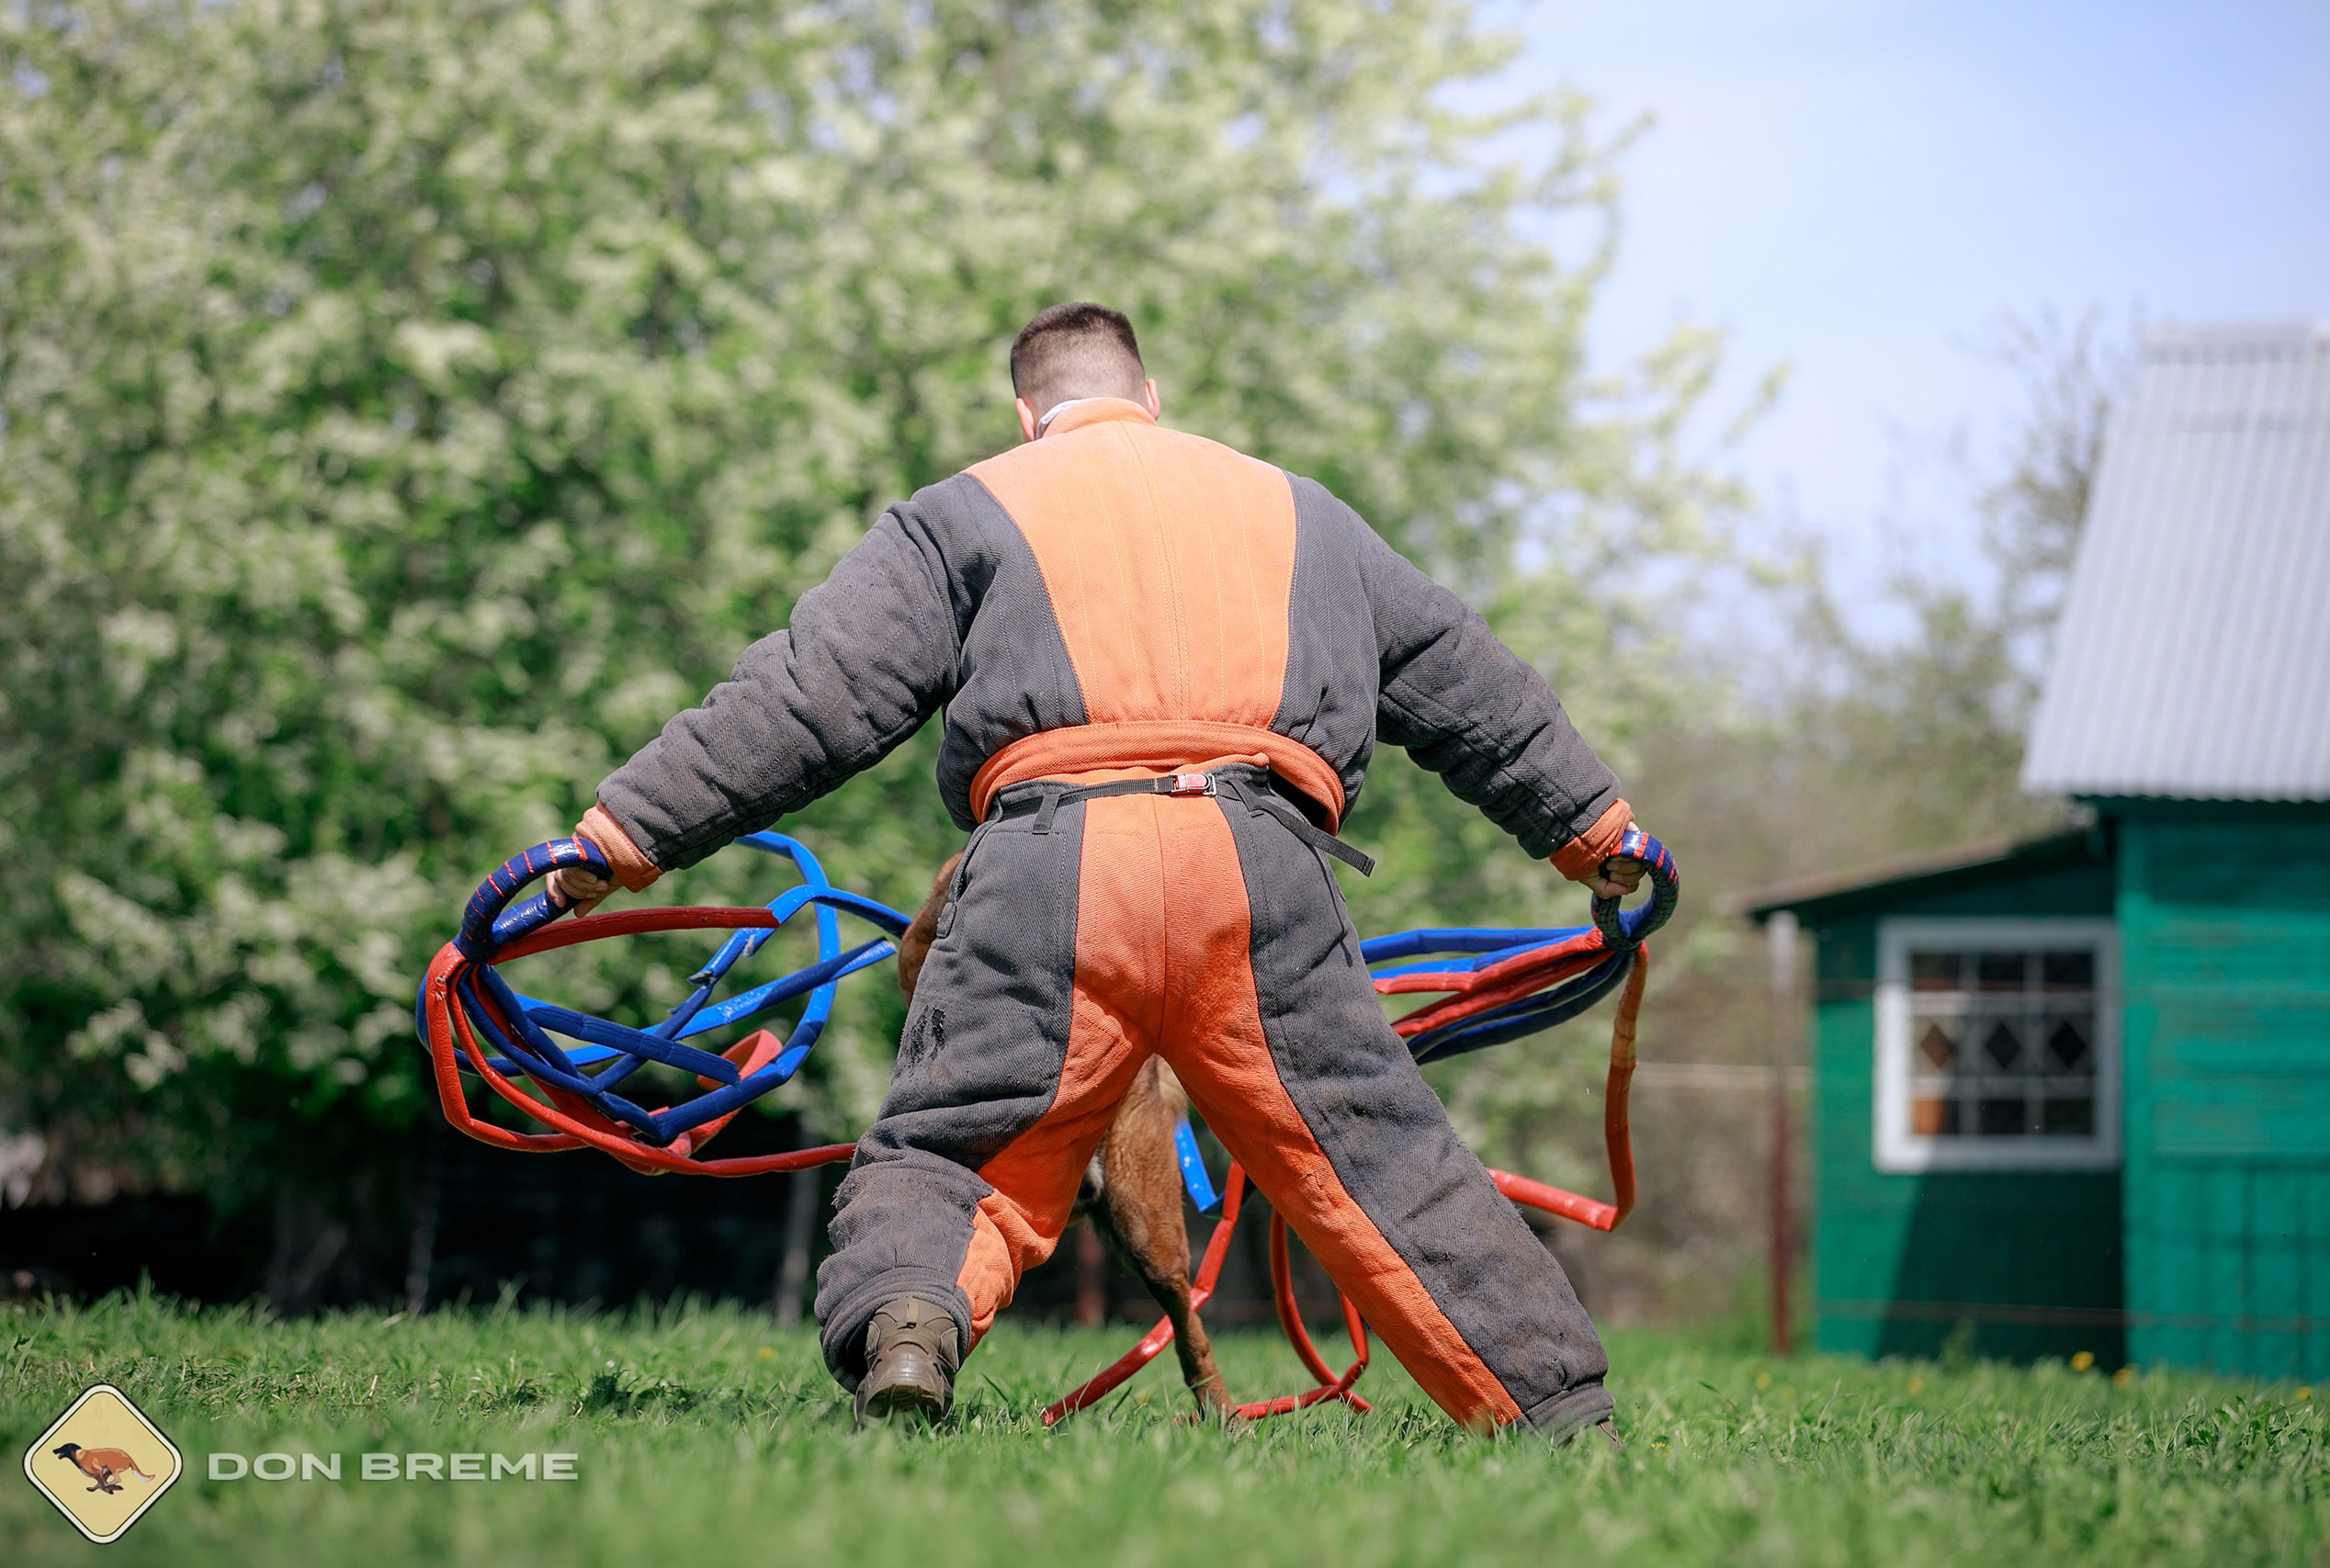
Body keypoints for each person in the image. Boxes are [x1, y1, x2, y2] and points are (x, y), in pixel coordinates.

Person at [548, 302, 1653, 1439]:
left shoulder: (963, 513)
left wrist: (618, 840)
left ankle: (911, 1330)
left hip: (1047, 867)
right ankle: (1561, 1419)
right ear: (1150, 397)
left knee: (961, 1142)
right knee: (1386, 1159)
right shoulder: (1300, 512)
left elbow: (805, 697)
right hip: (1262, 867)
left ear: (1027, 417)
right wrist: (1596, 829)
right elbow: (1467, 681)